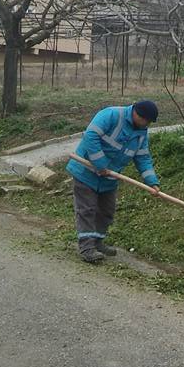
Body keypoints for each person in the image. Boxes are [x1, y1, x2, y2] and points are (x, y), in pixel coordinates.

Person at [66, 99, 160, 264]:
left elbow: (143, 157)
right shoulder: (111, 115)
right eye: (145, 120)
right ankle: (87, 249)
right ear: (136, 113)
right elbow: (91, 137)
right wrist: (100, 164)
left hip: (109, 177)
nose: (146, 124)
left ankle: (97, 242)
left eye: (149, 122)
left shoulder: (141, 132)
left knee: (106, 210)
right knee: (87, 209)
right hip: (86, 171)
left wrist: (151, 181)